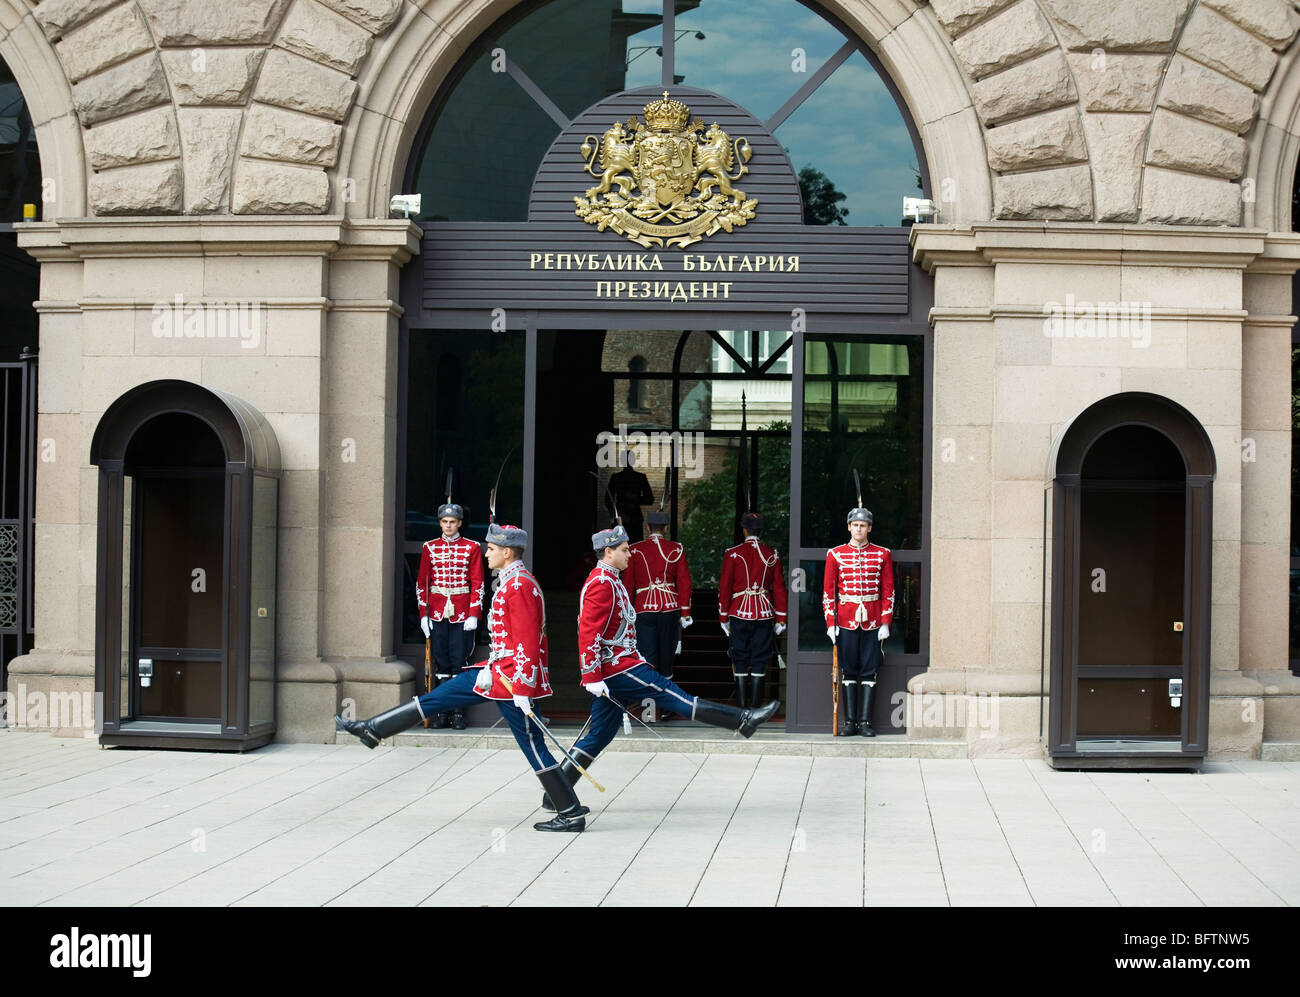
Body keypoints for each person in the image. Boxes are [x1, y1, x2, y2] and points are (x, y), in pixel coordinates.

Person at [337, 524, 586, 832]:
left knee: (533, 745)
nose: (486, 553)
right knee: (438, 697)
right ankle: (373, 730)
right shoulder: (512, 580)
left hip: (509, 683)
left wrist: (523, 688)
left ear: (507, 553)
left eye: (491, 549)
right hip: (496, 673)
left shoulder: (520, 585)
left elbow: (528, 640)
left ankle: (570, 812)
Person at [542, 525, 778, 810]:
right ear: (608, 551)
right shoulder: (602, 583)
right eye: (625, 550)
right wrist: (591, 675)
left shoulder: (610, 579)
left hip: (619, 665)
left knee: (600, 734)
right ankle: (743, 720)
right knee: (673, 695)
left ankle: (555, 796)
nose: (630, 554)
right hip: (618, 668)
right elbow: (588, 632)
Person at [823, 507, 894, 736]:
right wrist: (830, 623)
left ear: (869, 528)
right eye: (855, 525)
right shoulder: (835, 554)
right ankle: (850, 722)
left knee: (869, 670)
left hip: (873, 620)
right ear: (849, 527)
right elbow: (828, 592)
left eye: (863, 525)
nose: (858, 529)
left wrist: (885, 622)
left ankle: (865, 723)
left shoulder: (883, 554)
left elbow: (888, 590)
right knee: (848, 670)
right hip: (845, 620)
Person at [415, 502, 484, 729]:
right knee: (440, 662)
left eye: (452, 522)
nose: (448, 526)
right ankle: (441, 713)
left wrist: (474, 613)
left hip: (462, 611)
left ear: (460, 523)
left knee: (459, 662)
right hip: (436, 611)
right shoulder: (430, 547)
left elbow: (478, 583)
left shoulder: (472, 547)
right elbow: (422, 583)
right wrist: (423, 615)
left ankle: (458, 713)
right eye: (444, 522)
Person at [718, 512, 787, 709]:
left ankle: (741, 707)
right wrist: (781, 618)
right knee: (759, 657)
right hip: (764, 612)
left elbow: (725, 587)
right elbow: (779, 588)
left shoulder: (732, 553)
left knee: (740, 656)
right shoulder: (771, 554)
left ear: (744, 530)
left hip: (739, 611)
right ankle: (756, 707)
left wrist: (723, 616)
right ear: (761, 530)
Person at [623, 508, 692, 683]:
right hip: (669, 608)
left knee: (647, 656)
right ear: (666, 528)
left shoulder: (635, 550)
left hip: (643, 609)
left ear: (647, 527)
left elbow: (628, 585)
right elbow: (684, 583)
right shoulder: (676, 548)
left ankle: (651, 704)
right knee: (667, 658)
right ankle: (666, 708)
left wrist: (627, 613)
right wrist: (685, 613)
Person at [605, 451, 655, 542]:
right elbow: (649, 499)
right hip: (632, 518)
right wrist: (635, 499)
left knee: (619, 546)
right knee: (634, 547)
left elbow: (608, 500)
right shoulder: (640, 477)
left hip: (622, 518)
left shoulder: (616, 478)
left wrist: (613, 514)